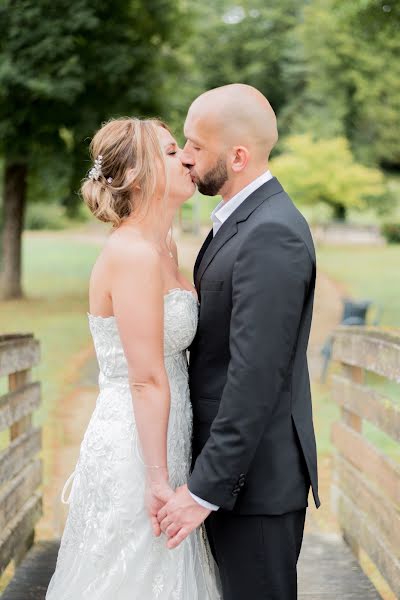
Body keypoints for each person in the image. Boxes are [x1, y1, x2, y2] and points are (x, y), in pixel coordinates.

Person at [45, 117, 221, 599]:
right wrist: (157, 478)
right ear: (138, 176)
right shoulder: (133, 255)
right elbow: (145, 379)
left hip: (169, 433)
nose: (186, 157)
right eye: (169, 152)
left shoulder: (162, 246)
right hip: (138, 448)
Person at [157, 84, 320, 600]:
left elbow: (254, 376)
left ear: (239, 157)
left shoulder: (273, 233)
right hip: (231, 479)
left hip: (255, 487)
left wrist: (204, 489)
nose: (184, 156)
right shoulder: (238, 221)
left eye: (195, 146)